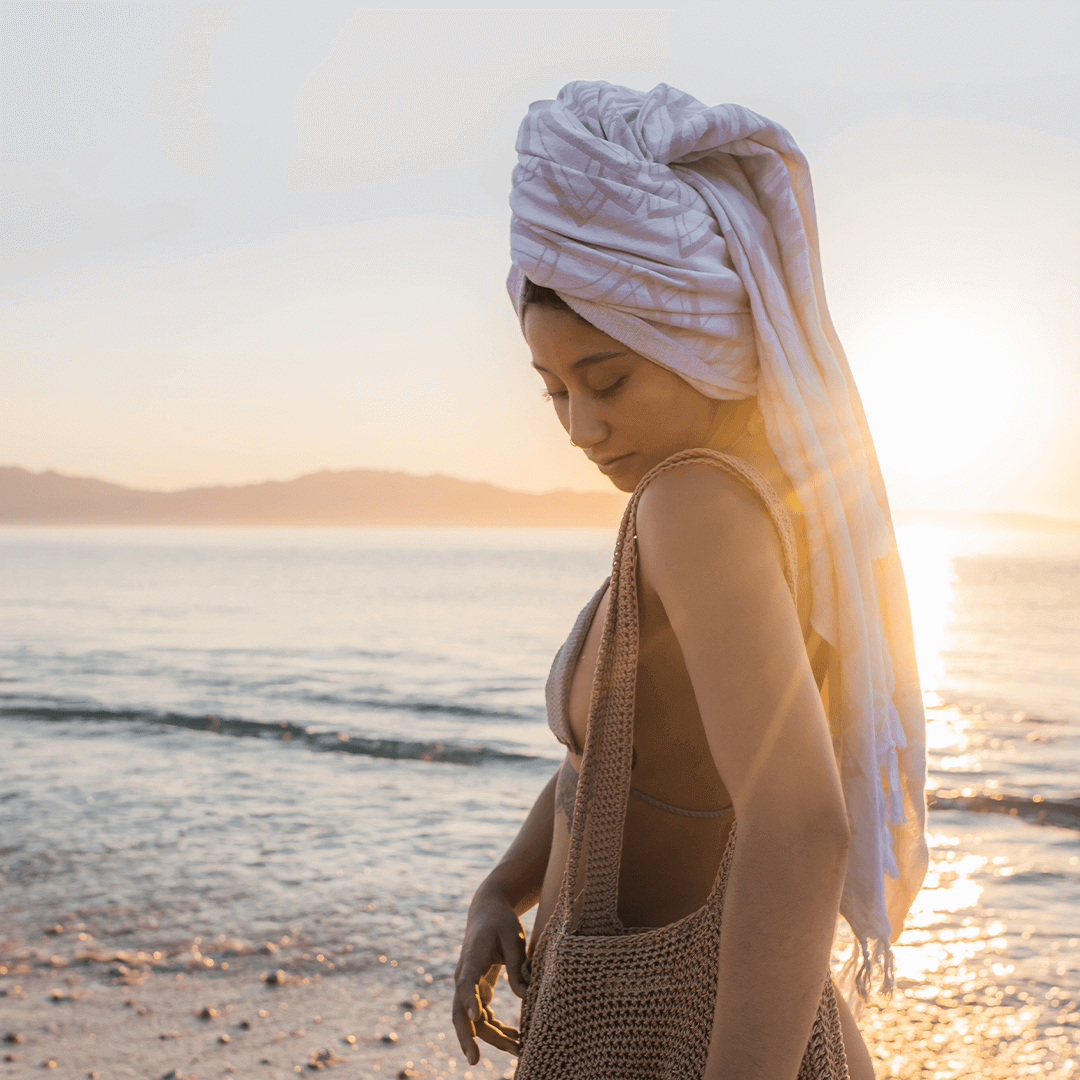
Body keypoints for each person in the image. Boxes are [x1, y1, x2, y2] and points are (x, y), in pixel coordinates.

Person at [452, 82, 928, 1080]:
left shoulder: (695, 509)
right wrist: (502, 889)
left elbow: (800, 824)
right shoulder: (764, 500)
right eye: (555, 391)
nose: (583, 428)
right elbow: (613, 763)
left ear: (695, 335)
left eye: (608, 378)